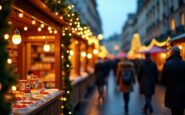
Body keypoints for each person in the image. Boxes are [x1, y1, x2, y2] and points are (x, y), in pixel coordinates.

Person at [161, 46, 185, 115]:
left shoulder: (167, 64)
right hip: (183, 92)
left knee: (174, 111)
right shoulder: (184, 64)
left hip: (172, 92)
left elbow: (163, 80)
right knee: (181, 111)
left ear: (172, 53)